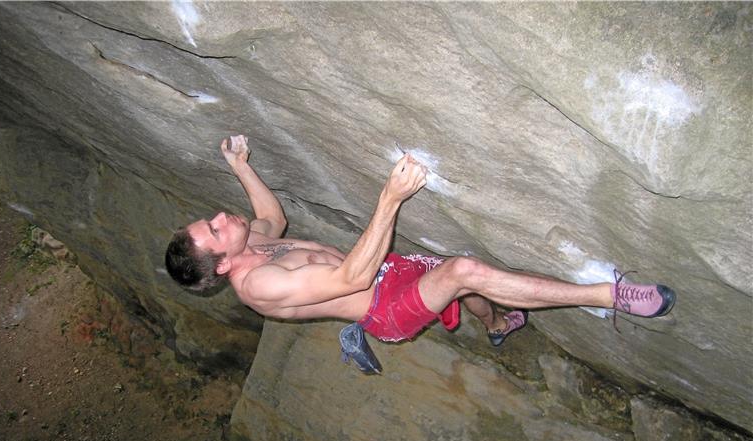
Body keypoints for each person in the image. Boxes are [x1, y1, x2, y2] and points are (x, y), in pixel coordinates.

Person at [166, 135, 675, 353]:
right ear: (225, 266)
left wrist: (241, 167)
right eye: (215, 230)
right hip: (384, 308)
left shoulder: (250, 242)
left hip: (388, 272)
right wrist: (390, 198)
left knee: (461, 285)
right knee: (463, 271)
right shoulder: (260, 285)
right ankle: (609, 296)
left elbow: (271, 217)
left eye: (209, 220)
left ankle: (497, 326)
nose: (220, 218)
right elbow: (352, 278)